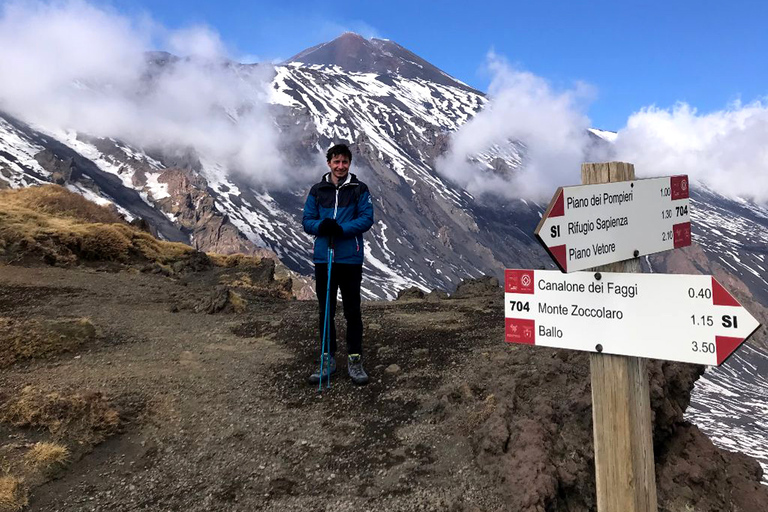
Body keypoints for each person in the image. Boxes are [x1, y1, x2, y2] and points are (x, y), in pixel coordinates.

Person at [302, 143, 374, 385]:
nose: (340, 166)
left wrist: (340, 229)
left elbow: (366, 218)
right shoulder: (317, 190)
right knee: (326, 311)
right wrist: (321, 226)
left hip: (349, 258)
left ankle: (355, 359)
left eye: (344, 162)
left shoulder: (359, 189)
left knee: (352, 310)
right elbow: (307, 220)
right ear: (329, 163)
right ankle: (327, 358)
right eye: (336, 162)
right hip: (325, 258)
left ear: (349, 163)